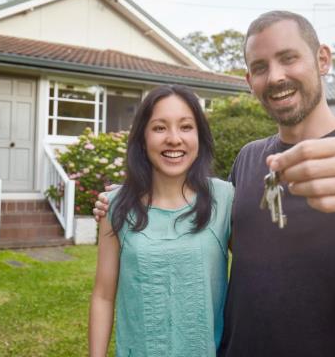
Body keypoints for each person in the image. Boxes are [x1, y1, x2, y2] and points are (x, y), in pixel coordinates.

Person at [95, 11, 335, 356]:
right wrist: (123, 201)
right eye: (260, 67)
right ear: (249, 81)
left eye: (289, 58)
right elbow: (244, 249)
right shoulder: (249, 159)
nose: (275, 77)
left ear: (322, 59)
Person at [89, 85, 234, 356]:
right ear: (142, 139)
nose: (174, 139)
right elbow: (103, 296)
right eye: (159, 128)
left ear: (200, 136)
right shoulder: (115, 205)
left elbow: (260, 272)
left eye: (186, 127)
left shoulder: (225, 199)